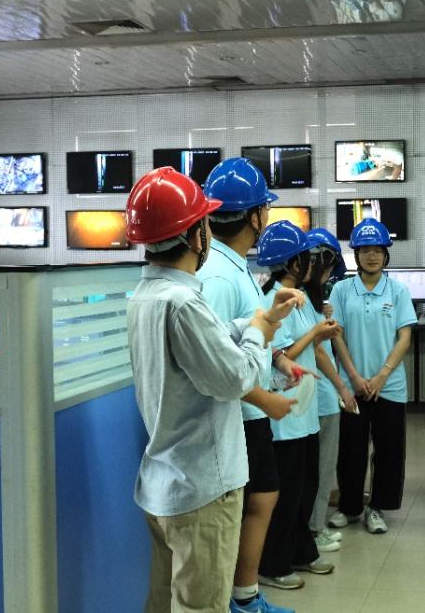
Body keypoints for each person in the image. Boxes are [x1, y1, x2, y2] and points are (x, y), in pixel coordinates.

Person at [123, 167, 304, 613]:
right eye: (204, 222)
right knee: (202, 605)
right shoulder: (183, 302)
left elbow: (210, 342)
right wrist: (259, 332)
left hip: (166, 482)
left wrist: (263, 320)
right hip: (203, 486)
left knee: (164, 603)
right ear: (195, 235)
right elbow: (236, 376)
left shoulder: (147, 296)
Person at [196, 158, 302, 613]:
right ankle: (235, 599)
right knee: (242, 507)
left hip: (249, 410)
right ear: (256, 216)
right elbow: (216, 363)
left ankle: (245, 594)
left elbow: (241, 333)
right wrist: (265, 399)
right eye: (265, 209)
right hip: (238, 413)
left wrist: (275, 351)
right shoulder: (220, 276)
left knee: (262, 496)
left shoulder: (233, 265)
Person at [257, 220, 338, 590]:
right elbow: (283, 355)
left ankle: (301, 551)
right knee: (287, 493)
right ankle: (274, 564)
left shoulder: (300, 295)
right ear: (292, 263)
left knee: (305, 486)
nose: (313, 264)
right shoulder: (273, 300)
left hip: (304, 413)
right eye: (307, 257)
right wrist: (316, 333)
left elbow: (306, 345)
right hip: (284, 415)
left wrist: (320, 331)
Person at [329, 218, 417, 534]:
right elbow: (336, 335)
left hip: (389, 386)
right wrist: (353, 377)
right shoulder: (341, 290)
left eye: (377, 250)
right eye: (365, 250)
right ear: (355, 254)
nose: (371, 256)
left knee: (389, 450)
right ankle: (350, 506)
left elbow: (404, 337)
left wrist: (381, 376)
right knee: (350, 449)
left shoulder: (397, 290)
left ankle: (377, 507)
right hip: (351, 386)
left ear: (385, 254)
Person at [303, 228, 356, 552]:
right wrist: (342, 387)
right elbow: (321, 352)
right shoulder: (306, 302)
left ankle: (310, 526)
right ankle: (315, 528)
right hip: (321, 397)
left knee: (311, 469)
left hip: (308, 398)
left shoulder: (306, 300)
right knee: (321, 469)